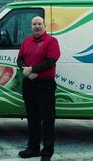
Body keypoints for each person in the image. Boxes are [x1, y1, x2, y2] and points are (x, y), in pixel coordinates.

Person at [16, 16, 61, 161]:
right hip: (29, 84)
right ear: (31, 26)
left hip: (45, 85)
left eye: (39, 24)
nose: (37, 26)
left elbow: (51, 60)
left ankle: (47, 152)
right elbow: (19, 59)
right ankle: (33, 148)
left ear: (45, 26)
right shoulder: (26, 41)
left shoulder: (51, 41)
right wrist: (26, 70)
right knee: (32, 118)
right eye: (34, 24)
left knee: (47, 119)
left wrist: (33, 69)